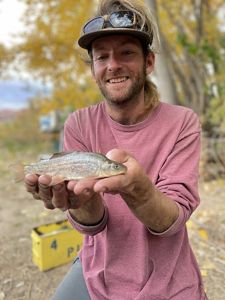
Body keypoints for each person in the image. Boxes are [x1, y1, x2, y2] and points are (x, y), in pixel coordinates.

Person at [25, 0, 207, 299]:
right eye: (102, 56)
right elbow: (92, 225)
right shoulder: (79, 123)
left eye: (126, 53)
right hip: (99, 271)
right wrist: (77, 200)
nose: (113, 65)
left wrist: (140, 190)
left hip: (169, 280)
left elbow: (173, 220)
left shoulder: (182, 122)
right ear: (94, 69)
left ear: (148, 62)